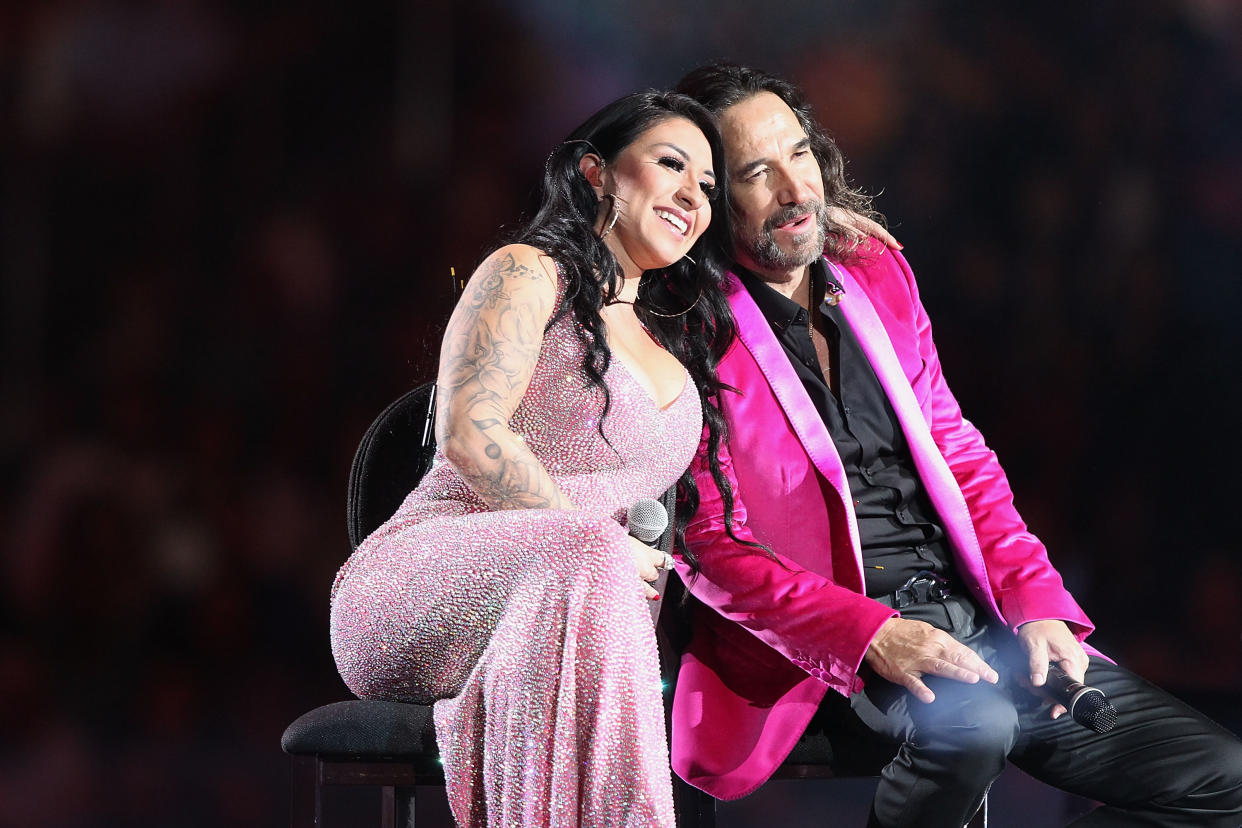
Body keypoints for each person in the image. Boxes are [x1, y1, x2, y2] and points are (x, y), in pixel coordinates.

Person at [669, 63, 1242, 827]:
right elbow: (709, 545)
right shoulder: (683, 328)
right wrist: (868, 634)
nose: (794, 190)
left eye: (800, 154)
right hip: (829, 640)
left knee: (1219, 777)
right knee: (974, 729)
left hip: (976, 619)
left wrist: (1035, 603)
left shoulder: (874, 271)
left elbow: (959, 454)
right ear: (707, 197)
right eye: (756, 172)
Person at [329, 90, 739, 827]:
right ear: (596, 174)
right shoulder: (527, 272)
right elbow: (469, 430)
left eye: (708, 187)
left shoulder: (679, 346)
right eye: (671, 164)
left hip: (581, 615)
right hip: (424, 583)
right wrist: (599, 548)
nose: (693, 195)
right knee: (592, 553)